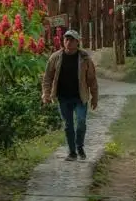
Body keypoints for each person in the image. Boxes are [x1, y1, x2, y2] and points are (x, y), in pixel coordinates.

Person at [42, 29, 98, 161]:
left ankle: (79, 146)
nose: (68, 42)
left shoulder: (85, 58)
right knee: (68, 125)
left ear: (77, 42)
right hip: (63, 97)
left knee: (81, 122)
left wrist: (95, 97)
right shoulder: (56, 57)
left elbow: (92, 79)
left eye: (72, 39)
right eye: (66, 39)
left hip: (80, 97)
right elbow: (47, 77)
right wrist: (46, 94)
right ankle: (72, 152)